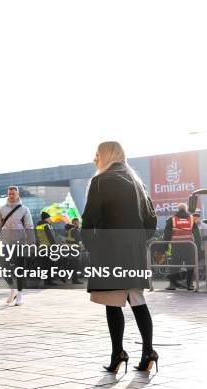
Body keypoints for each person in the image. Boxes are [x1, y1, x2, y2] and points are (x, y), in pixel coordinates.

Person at [81, 141, 158, 373]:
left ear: (106, 156)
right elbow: (151, 221)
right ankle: (148, 351)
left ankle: (118, 353)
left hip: (109, 252)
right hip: (133, 253)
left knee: (113, 303)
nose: (94, 158)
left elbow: (89, 220)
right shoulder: (137, 182)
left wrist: (93, 245)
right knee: (137, 300)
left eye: (97, 154)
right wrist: (136, 241)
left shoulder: (100, 181)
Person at [0, 186, 34, 306]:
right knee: (4, 268)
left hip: (19, 243)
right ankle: (13, 289)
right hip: (5, 243)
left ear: (18, 194)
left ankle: (20, 294)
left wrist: (31, 244)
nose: (11, 196)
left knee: (19, 269)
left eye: (13, 194)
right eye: (9, 194)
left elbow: (29, 227)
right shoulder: (2, 209)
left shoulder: (24, 210)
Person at [163, 203, 201, 291]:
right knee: (190, 266)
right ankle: (190, 285)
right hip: (189, 247)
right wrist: (198, 247)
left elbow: (167, 235)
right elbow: (197, 235)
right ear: (186, 209)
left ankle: (172, 285)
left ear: (178, 209)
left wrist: (165, 246)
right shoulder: (191, 219)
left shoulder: (172, 220)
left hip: (176, 247)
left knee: (174, 266)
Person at [35, 211, 59, 286]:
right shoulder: (46, 225)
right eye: (49, 217)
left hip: (42, 248)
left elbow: (37, 238)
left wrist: (38, 246)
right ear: (46, 218)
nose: (50, 219)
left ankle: (46, 281)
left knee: (44, 264)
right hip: (48, 247)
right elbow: (50, 237)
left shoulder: (38, 226)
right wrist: (55, 246)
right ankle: (49, 281)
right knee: (50, 264)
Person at [63, 218, 83, 284]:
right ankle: (75, 280)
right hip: (75, 250)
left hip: (69, 250)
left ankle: (62, 275)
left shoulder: (68, 231)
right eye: (77, 223)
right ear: (75, 223)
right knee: (75, 265)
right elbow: (79, 240)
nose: (78, 224)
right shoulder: (75, 230)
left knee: (71, 265)